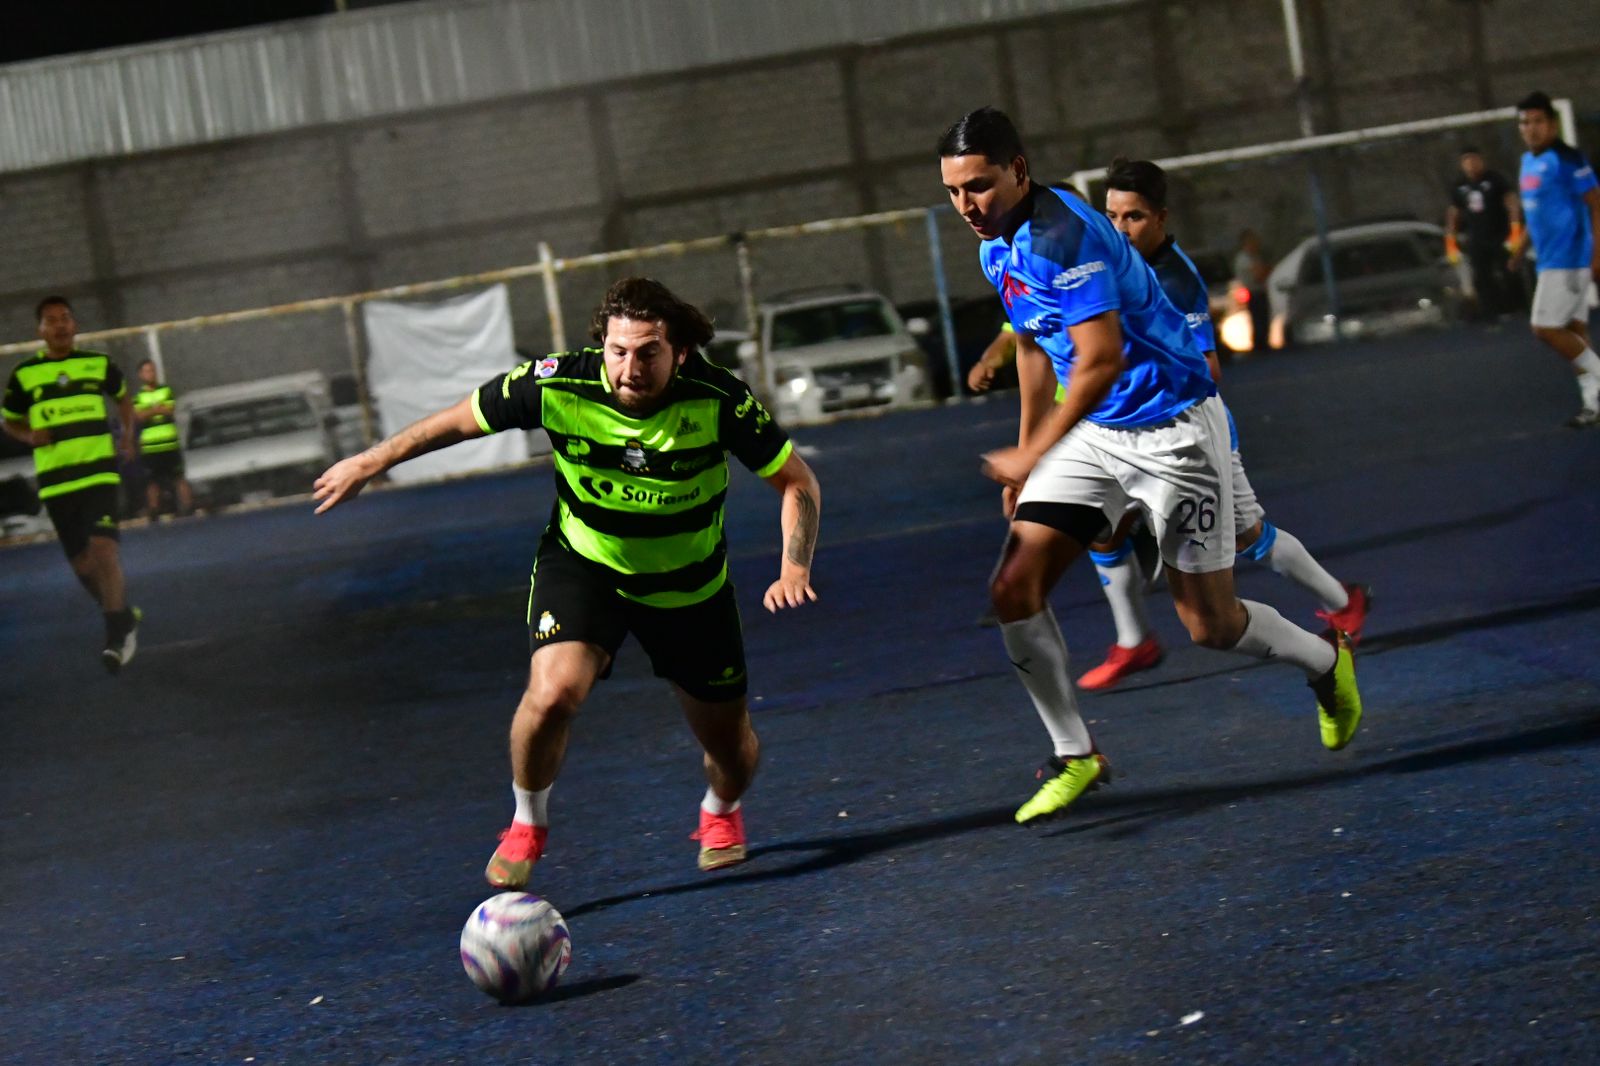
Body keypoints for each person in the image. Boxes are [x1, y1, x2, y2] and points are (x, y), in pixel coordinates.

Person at [313, 277, 822, 884]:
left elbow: (796, 481)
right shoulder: (556, 383)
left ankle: (721, 808)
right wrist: (370, 461)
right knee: (552, 693)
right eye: (618, 351)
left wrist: (794, 566)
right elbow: (459, 420)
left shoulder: (719, 400)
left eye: (649, 353)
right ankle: (526, 823)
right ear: (601, 345)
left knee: (730, 749)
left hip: (689, 589)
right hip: (585, 567)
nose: (630, 369)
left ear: (680, 352)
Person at [936, 108, 1363, 824]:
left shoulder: (1063, 236)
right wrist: (1028, 456)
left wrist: (1033, 452)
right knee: (1013, 588)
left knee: (1211, 626)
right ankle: (1075, 754)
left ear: (1018, 170)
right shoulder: (996, 245)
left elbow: (1101, 360)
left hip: (1173, 432)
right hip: (1094, 432)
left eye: (977, 186)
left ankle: (1326, 661)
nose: (965, 205)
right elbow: (1036, 350)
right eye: (953, 191)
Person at [1072, 157, 1368, 688]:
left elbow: (1207, 369)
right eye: (1111, 216)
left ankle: (1344, 603)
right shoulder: (1113, 267)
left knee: (1252, 537)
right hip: (1133, 433)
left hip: (1190, 434)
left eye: (1133, 217)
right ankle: (1134, 641)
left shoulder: (1173, 278)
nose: (1120, 229)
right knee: (1100, 525)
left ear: (1161, 218)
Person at [2, 296, 142, 671]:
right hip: (57, 482)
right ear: (40, 330)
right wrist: (29, 436)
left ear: (75, 325)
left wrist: (127, 436)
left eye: (65, 318)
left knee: (103, 549)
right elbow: (9, 420)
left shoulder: (98, 364)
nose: (60, 325)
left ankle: (116, 636)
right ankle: (121, 613)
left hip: (98, 473)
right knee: (82, 565)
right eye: (51, 320)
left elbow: (123, 400)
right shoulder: (24, 375)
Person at [1510, 90, 1600, 427]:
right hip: (1548, 260)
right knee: (1575, 331)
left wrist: (1597, 254)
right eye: (1524, 122)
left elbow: (1596, 205)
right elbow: (1535, 214)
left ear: (1552, 125)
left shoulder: (1567, 158)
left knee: (1544, 329)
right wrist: (1520, 249)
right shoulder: (1527, 162)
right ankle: (1593, 403)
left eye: (1537, 121)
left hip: (1569, 259)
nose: (1530, 128)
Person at [1447, 147, 1523, 321]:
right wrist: (1450, 241)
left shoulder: (1495, 179)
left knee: (1509, 271)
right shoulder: (1459, 185)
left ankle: (1517, 308)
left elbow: (1512, 203)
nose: (1471, 164)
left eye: (1474, 159)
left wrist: (1515, 230)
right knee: (1482, 276)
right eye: (1467, 161)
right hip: (1477, 238)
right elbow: (1454, 213)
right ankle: (1491, 312)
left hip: (1500, 234)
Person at [132, 358, 195, 517]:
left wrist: (151, 410)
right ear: (141, 375)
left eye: (152, 370)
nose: (150, 374)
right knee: (152, 481)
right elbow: (139, 416)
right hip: (151, 447)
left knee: (178, 477)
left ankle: (188, 507)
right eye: (147, 371)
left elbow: (169, 410)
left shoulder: (165, 390)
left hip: (170, 444)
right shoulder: (138, 396)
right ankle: (154, 511)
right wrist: (156, 409)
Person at [1233, 228, 1272, 352]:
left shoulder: (1255, 257)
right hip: (1253, 292)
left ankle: (1263, 343)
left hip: (1260, 291)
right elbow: (1258, 274)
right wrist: (1265, 270)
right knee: (1258, 320)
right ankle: (1259, 346)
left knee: (1263, 319)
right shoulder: (1244, 259)